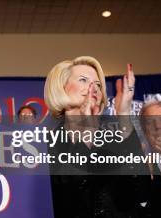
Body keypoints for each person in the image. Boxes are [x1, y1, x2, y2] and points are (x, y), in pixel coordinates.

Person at [43, 56, 146, 217]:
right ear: (61, 88)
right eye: (83, 80)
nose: (94, 87)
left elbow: (141, 191)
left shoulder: (112, 141)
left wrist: (124, 116)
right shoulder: (45, 145)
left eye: (98, 84)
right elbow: (68, 198)